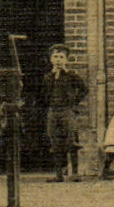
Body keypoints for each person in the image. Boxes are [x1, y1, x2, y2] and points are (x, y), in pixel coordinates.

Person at [37, 44, 88, 182]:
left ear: (66, 60)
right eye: (55, 57)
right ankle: (58, 174)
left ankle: (75, 173)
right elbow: (43, 95)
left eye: (61, 57)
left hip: (67, 111)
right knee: (55, 142)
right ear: (50, 59)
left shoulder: (71, 75)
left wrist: (74, 102)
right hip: (53, 111)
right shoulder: (48, 77)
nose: (58, 60)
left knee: (72, 140)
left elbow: (84, 89)